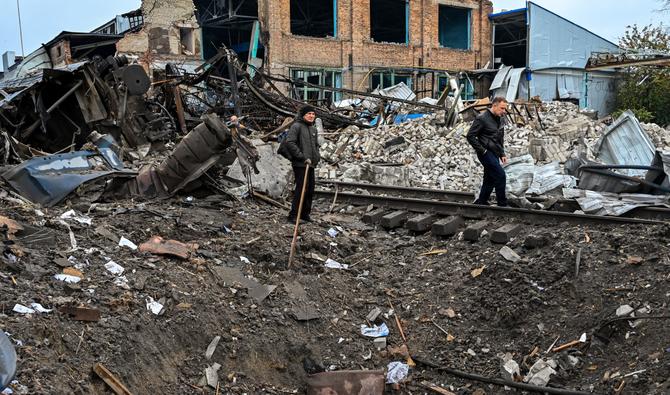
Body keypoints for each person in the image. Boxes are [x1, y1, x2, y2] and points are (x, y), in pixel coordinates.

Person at [466, 96, 509, 207]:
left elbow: (500, 138)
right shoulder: (482, 118)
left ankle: (482, 201)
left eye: (505, 109)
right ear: (494, 105)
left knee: (489, 178)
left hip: (495, 152)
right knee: (500, 175)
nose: (504, 111)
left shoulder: (501, 118)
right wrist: (482, 150)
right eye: (502, 108)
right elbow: (470, 136)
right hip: (485, 153)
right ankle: (502, 204)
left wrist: (502, 153)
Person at [285, 105, 320, 222]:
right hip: (300, 164)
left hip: (311, 164)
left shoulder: (313, 129)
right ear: (303, 115)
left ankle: (305, 214)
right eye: (309, 114)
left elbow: (315, 146)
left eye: (313, 114)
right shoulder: (296, 126)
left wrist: (316, 157)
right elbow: (290, 142)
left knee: (310, 189)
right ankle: (293, 215)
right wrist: (302, 157)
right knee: (301, 189)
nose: (311, 116)